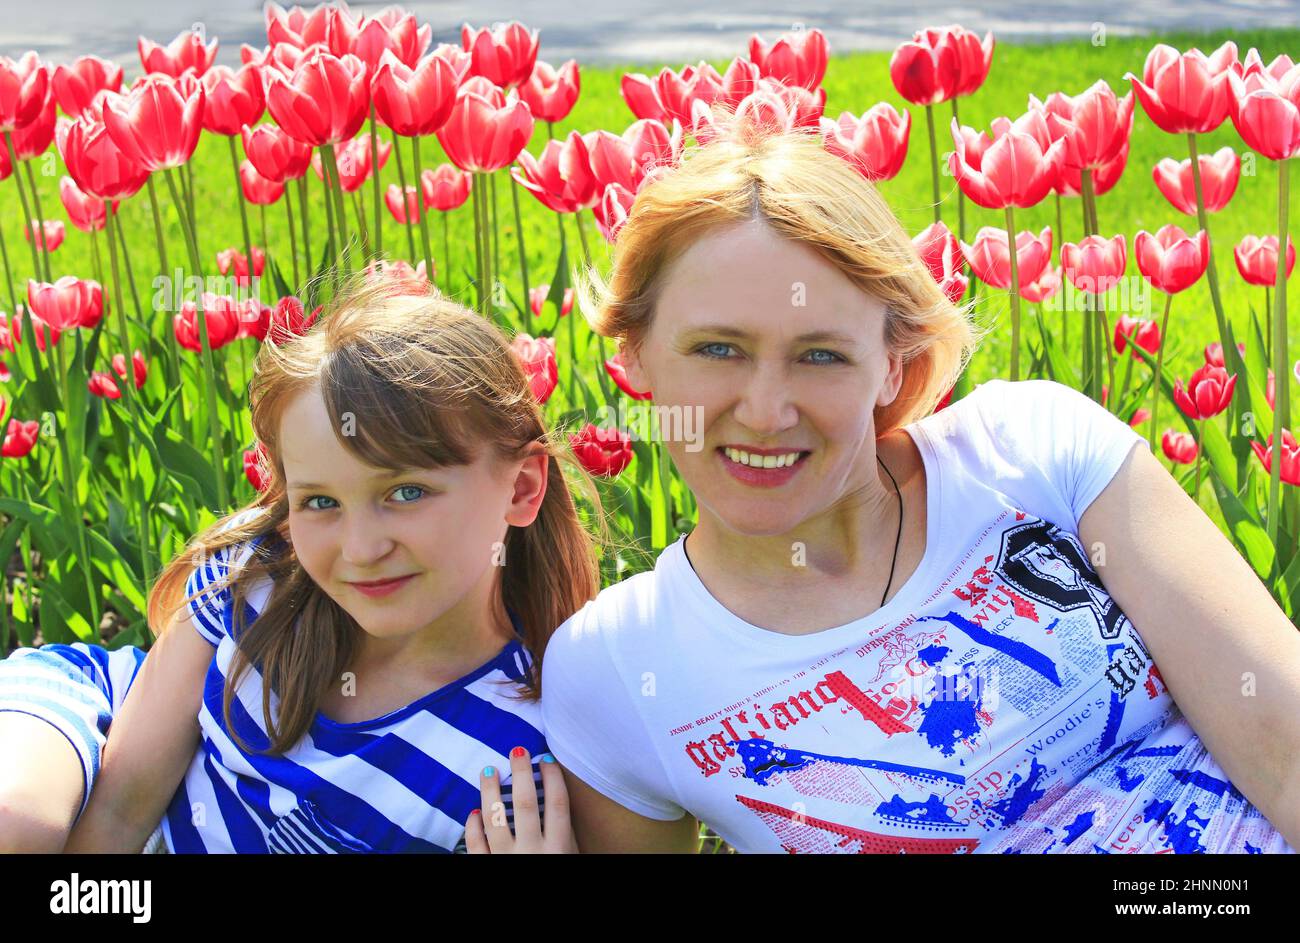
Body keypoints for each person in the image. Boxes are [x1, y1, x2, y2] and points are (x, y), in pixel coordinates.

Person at [539, 119, 1300, 854]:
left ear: (892, 364)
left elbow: (1288, 758)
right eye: (717, 348)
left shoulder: (1035, 452)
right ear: (633, 354)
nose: (767, 412)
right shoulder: (617, 668)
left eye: (821, 356)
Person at [0, 272, 599, 853]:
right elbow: (119, 810)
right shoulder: (256, 577)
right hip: (85, 730)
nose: (361, 549)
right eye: (320, 502)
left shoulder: (513, 760)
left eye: (406, 492)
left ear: (521, 489)